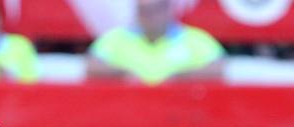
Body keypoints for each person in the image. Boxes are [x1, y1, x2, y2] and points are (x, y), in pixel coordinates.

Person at [85, 0, 224, 85]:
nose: (149, 16)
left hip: (182, 115)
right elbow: (92, 65)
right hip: (127, 112)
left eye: (155, 9)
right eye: (143, 11)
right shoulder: (117, 38)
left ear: (168, 8)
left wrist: (179, 78)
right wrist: (124, 74)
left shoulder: (195, 39)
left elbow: (217, 68)